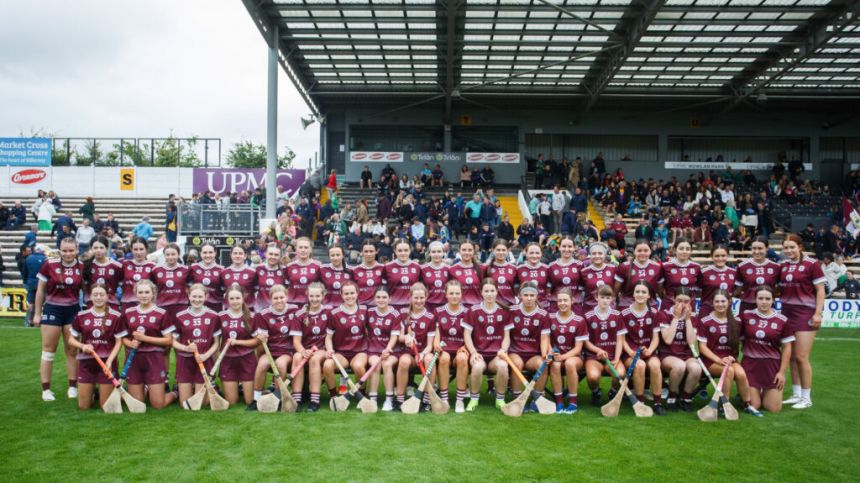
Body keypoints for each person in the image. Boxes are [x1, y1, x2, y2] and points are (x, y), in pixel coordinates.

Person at [33, 237, 84, 402]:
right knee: (48, 351)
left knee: (72, 351)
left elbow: (86, 290)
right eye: (65, 250)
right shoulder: (49, 264)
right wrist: (37, 313)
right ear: (59, 250)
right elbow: (40, 290)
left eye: (71, 250)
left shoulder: (82, 267)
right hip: (52, 309)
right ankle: (46, 390)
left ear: (77, 249)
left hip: (73, 310)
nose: (68, 254)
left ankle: (72, 387)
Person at [697, 290, 762, 417]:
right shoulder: (705, 320)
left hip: (730, 359)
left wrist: (732, 357)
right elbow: (702, 348)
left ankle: (748, 405)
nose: (720, 304)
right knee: (729, 371)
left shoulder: (736, 321)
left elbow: (740, 343)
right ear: (712, 303)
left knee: (741, 374)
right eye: (717, 301)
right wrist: (718, 360)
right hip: (710, 360)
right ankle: (724, 404)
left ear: (729, 302)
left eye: (723, 301)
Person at [779, 234, 825, 410]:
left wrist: (818, 313)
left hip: (805, 313)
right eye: (786, 248)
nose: (789, 251)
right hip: (786, 313)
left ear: (800, 247)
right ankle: (796, 394)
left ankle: (807, 397)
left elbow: (820, 290)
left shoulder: (811, 264)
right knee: (790, 357)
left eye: (792, 247)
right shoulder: (782, 266)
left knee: (801, 356)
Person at [121, 280, 178, 409]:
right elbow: (123, 338)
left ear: (153, 294)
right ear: (135, 294)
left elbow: (168, 340)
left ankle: (175, 393)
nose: (144, 295)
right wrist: (130, 343)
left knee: (158, 405)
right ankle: (146, 388)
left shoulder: (161, 313)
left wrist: (144, 338)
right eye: (140, 292)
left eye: (147, 292)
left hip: (154, 359)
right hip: (134, 359)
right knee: (138, 405)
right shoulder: (129, 312)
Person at [68, 284, 124, 410]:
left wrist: (110, 360)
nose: (98, 297)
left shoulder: (116, 316)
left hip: (106, 364)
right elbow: (71, 340)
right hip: (87, 363)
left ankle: (105, 392)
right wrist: (82, 346)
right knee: (83, 407)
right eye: (95, 295)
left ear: (107, 297)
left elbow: (119, 341)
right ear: (90, 297)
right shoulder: (82, 315)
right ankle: (92, 393)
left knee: (105, 407)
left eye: (101, 294)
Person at [741, 286, 794, 413]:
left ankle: (764, 392)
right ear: (755, 300)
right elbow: (738, 337)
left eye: (767, 298)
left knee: (773, 408)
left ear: (773, 301)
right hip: (751, 365)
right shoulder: (746, 315)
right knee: (754, 405)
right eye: (760, 298)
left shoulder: (782, 320)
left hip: (772, 366)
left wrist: (781, 373)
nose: (764, 301)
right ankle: (751, 391)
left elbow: (787, 347)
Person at [462, 278, 511, 411]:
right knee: (477, 367)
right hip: (480, 353)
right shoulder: (473, 310)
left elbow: (507, 336)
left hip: (496, 354)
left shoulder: (504, 310)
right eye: (487, 291)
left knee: (503, 366)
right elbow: (467, 334)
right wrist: (473, 352)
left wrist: (504, 349)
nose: (489, 294)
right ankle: (474, 399)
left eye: (492, 291)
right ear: (481, 293)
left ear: (497, 292)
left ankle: (500, 400)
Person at [171, 284, 220, 408]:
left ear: (206, 297)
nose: (196, 299)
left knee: (201, 404)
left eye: (200, 296)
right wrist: (185, 348)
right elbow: (173, 341)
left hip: (204, 360)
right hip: (184, 360)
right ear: (188, 296)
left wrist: (206, 355)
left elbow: (216, 343)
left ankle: (213, 388)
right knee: (185, 405)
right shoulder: (180, 315)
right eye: (194, 296)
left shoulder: (213, 316)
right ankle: (178, 392)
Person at [249, 285, 297, 411]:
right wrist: (262, 337)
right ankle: (256, 398)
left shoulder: (294, 310)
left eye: (282, 297)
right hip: (270, 350)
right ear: (270, 299)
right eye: (276, 298)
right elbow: (260, 339)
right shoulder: (264, 314)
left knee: (280, 364)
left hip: (287, 350)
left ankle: (277, 397)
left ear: (287, 297)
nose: (279, 300)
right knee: (262, 365)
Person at [621, 281, 664, 415]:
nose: (640, 294)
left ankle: (657, 403)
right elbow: (621, 339)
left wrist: (650, 350)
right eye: (637, 291)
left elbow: (656, 337)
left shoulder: (655, 313)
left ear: (649, 295)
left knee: (655, 365)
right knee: (639, 365)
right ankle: (640, 403)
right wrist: (630, 352)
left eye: (643, 292)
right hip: (630, 353)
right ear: (633, 294)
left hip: (649, 352)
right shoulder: (624, 313)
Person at [507, 283, 551, 412]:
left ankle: (537, 399)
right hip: (515, 351)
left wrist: (544, 355)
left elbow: (544, 338)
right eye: (526, 295)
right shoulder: (512, 311)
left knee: (542, 364)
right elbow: (506, 334)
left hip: (533, 354)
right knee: (516, 363)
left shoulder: (543, 314)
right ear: (520, 296)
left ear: (537, 296)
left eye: (532, 295)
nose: (529, 298)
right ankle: (517, 398)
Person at [658, 287, 702, 412]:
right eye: (679, 300)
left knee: (696, 368)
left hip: (686, 354)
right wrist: (676, 318)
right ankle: (672, 397)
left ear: (691, 301)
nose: (682, 304)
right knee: (679, 366)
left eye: (686, 301)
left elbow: (691, 342)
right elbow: (668, 339)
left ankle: (686, 398)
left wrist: (687, 319)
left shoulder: (693, 316)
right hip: (668, 354)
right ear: (673, 299)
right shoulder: (664, 314)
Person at [291, 283, 331, 412]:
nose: (314, 299)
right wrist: (303, 351)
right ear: (307, 295)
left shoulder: (329, 312)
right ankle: (296, 400)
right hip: (305, 349)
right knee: (297, 357)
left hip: (322, 349)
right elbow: (296, 341)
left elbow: (330, 337)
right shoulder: (299, 314)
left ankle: (315, 400)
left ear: (323, 296)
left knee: (314, 359)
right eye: (312, 296)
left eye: (317, 296)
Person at [583, 285, 626, 405]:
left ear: (612, 299)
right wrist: (598, 350)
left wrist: (617, 359)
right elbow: (585, 341)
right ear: (596, 297)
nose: (605, 300)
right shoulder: (588, 316)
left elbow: (620, 339)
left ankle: (613, 393)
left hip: (612, 356)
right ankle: (596, 392)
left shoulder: (617, 315)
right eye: (602, 297)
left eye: (608, 298)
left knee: (620, 375)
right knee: (592, 377)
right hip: (594, 357)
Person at [323, 281, 369, 395]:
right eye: (346, 294)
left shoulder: (364, 310)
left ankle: (361, 395)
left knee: (358, 366)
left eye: (352, 293)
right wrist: (329, 350)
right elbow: (328, 337)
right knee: (327, 365)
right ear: (342, 295)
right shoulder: (334, 313)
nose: (349, 296)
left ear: (357, 293)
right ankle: (334, 395)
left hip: (360, 351)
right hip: (341, 353)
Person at [217, 286, 259, 406]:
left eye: (237, 298)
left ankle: (266, 393)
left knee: (249, 401)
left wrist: (238, 342)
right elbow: (215, 340)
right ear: (227, 300)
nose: (235, 301)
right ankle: (237, 387)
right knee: (232, 401)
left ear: (243, 298)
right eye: (232, 298)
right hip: (228, 360)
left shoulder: (252, 316)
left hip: (247, 359)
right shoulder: (221, 316)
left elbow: (257, 342)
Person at [433, 280, 470, 412]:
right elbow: (436, 332)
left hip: (460, 348)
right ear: (446, 295)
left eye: (457, 293)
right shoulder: (438, 311)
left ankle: (460, 400)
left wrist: (466, 346)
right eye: (451, 293)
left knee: (462, 359)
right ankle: (444, 398)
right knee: (443, 359)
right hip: (445, 348)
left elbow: (470, 334)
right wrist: (436, 343)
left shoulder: (468, 312)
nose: (454, 296)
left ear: (461, 295)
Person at [548, 288, 587, 414]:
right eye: (559, 300)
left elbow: (578, 348)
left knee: (570, 363)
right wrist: (551, 352)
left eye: (565, 300)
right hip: (556, 356)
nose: (562, 303)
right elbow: (546, 339)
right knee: (555, 364)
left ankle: (572, 402)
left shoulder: (579, 320)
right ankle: (559, 402)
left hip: (574, 356)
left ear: (572, 301)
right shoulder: (550, 317)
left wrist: (564, 357)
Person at [366, 287, 400, 411]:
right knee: (375, 364)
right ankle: (373, 399)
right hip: (373, 350)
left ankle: (389, 399)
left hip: (392, 351)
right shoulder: (369, 312)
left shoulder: (395, 314)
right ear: (374, 299)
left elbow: (394, 336)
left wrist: (387, 349)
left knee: (386, 365)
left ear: (390, 298)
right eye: (378, 297)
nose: (381, 300)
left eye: (384, 297)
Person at [735, 236, 780, 314]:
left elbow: (779, 288)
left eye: (760, 248)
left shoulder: (776, 267)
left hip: (768, 307)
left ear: (767, 248)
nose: (756, 251)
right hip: (747, 306)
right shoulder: (742, 266)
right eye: (754, 248)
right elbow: (737, 289)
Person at [613, 239, 662, 309]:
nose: (642, 253)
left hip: (650, 306)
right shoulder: (624, 266)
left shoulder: (657, 267)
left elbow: (660, 291)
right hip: (627, 306)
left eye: (645, 250)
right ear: (634, 252)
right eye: (639, 251)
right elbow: (615, 291)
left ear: (650, 251)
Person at [82, 236, 122, 311]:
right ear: (91, 249)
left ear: (106, 248)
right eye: (95, 248)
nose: (98, 250)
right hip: (92, 304)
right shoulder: (86, 265)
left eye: (101, 247)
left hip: (111, 304)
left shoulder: (117, 266)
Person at [661, 238, 701, 310]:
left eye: (687, 249)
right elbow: (659, 286)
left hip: (689, 305)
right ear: (674, 249)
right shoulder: (665, 266)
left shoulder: (697, 267)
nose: (684, 251)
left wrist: (691, 299)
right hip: (669, 305)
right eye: (681, 249)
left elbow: (699, 288)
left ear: (691, 251)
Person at [698, 245, 736, 318]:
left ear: (727, 256)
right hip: (707, 311)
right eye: (717, 256)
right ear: (712, 257)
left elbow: (736, 290)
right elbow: (697, 292)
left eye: (723, 256)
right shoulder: (704, 272)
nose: (720, 258)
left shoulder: (734, 272)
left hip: (726, 311)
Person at [384, 239, 422, 310]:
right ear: (395, 251)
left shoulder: (417, 267)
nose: (403, 253)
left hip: (412, 306)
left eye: (406, 250)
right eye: (400, 250)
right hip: (393, 306)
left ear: (410, 250)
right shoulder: (387, 267)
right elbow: (384, 287)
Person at [547, 237, 581, 314]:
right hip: (556, 305)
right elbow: (548, 288)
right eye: (564, 246)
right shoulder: (551, 266)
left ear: (574, 248)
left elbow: (584, 287)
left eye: (570, 246)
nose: (567, 249)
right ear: (559, 247)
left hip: (575, 305)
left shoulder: (580, 265)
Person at [580, 242, 616, 314]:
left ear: (605, 255)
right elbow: (582, 291)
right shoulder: (584, 272)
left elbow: (616, 289)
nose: (597, 256)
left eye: (600, 253)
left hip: (609, 308)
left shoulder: (613, 269)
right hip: (589, 309)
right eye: (594, 253)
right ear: (590, 255)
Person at [284, 237, 321, 306]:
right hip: (293, 304)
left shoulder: (318, 266)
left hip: (312, 304)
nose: (303, 250)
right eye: (300, 247)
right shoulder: (289, 266)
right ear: (296, 249)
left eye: (306, 247)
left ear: (311, 250)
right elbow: (285, 286)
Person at [189, 243, 224, 312]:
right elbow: (187, 287)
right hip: (197, 306)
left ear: (215, 253)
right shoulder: (193, 268)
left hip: (216, 307)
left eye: (210, 252)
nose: (208, 255)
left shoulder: (222, 269)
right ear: (200, 253)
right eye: (205, 253)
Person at [350, 241, 385, 307]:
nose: (369, 254)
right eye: (366, 251)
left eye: (371, 251)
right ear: (361, 252)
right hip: (361, 307)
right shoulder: (354, 270)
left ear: (376, 251)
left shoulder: (383, 268)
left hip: (379, 307)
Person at [515, 243, 550, 309]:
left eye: (537, 253)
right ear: (526, 253)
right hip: (524, 307)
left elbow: (549, 289)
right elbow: (515, 288)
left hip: (543, 306)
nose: (534, 256)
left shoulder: (547, 269)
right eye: (531, 253)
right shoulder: (518, 269)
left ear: (541, 253)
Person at [449, 241, 483, 306]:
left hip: (478, 307)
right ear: (459, 251)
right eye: (464, 250)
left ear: (474, 251)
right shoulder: (452, 269)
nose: (467, 252)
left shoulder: (481, 268)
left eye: (470, 250)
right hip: (460, 308)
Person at [254, 244, 286, 313]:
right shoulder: (258, 269)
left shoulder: (284, 270)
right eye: (270, 254)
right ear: (265, 254)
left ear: (280, 256)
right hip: (261, 309)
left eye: (276, 255)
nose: (273, 257)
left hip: (279, 310)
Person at [485, 240, 518, 306]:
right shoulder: (486, 268)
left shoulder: (514, 268)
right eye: (498, 250)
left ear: (508, 250)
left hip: (510, 306)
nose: (501, 252)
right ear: (493, 250)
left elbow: (516, 287)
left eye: (503, 250)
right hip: (492, 306)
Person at [421, 241, 450, 311]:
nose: (436, 254)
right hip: (428, 304)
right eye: (433, 252)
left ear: (443, 253)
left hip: (445, 305)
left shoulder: (449, 269)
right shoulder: (422, 269)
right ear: (429, 253)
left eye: (439, 251)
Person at [23, 244, 47, 327]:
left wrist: (25, 281)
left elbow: (24, 272)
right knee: (42, 302)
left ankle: (28, 320)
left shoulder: (28, 258)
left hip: (31, 282)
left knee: (30, 302)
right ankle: (40, 320)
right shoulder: (45, 259)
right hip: (43, 283)